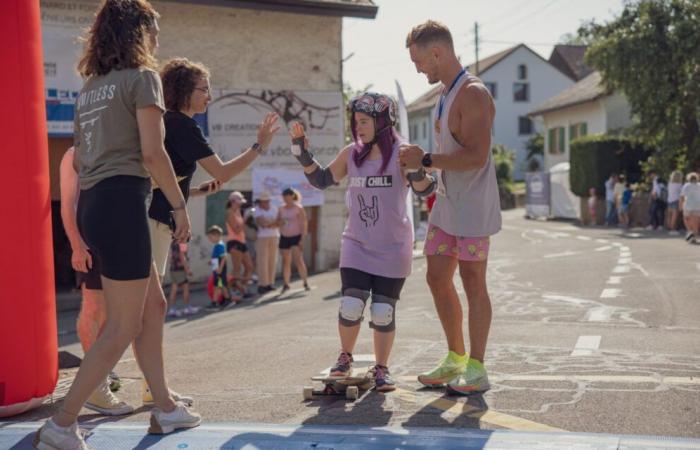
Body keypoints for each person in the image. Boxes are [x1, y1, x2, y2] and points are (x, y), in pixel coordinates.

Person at [35, 2, 199, 448]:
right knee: (122, 325)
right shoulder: (143, 78)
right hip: (124, 201)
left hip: (98, 204)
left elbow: (83, 156)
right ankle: (62, 423)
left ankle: (165, 409)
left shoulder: (91, 87)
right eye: (154, 30)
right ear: (138, 32)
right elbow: (153, 153)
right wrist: (179, 205)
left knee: (153, 308)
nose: (157, 40)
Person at [288, 90, 414, 392]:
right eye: (355, 121)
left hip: (393, 247)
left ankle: (381, 368)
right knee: (350, 305)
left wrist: (421, 170)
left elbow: (424, 188)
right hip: (357, 244)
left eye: (364, 121)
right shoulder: (351, 153)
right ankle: (345, 356)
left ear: (384, 121)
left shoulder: (403, 153)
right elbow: (321, 179)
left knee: (383, 311)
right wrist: (301, 153)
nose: (358, 127)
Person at [401, 20, 501, 395]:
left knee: (474, 282)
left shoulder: (473, 93)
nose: (417, 68)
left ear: (437, 53)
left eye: (419, 60)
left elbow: (475, 157)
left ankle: (476, 368)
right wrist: (421, 175)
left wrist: (424, 158)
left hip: (474, 209)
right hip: (446, 206)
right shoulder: (444, 93)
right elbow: (446, 159)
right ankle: (455, 358)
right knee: (436, 277)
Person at [150, 57, 279, 295]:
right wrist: (259, 145)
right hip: (154, 220)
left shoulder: (166, 121)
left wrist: (197, 191)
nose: (209, 97)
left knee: (150, 301)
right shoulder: (183, 125)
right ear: (184, 90)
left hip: (150, 215)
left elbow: (162, 182)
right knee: (151, 302)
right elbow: (223, 172)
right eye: (204, 89)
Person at [59, 147, 134, 416]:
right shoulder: (74, 154)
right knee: (93, 307)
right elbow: (67, 203)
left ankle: (99, 372)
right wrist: (77, 245)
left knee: (111, 314)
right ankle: (95, 385)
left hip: (116, 236)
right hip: (89, 240)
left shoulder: (115, 146)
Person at [278, 188, 310, 293]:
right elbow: (278, 221)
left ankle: (305, 282)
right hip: (284, 236)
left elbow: (304, 224)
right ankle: (286, 283)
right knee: (286, 260)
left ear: (291, 196)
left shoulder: (298, 208)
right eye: (284, 197)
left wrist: (301, 239)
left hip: (296, 236)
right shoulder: (281, 208)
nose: (285, 199)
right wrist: (280, 222)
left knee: (298, 260)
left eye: (286, 197)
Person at [225, 191, 254, 296]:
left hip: (242, 241)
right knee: (237, 269)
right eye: (239, 201)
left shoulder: (237, 211)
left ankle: (242, 288)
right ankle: (233, 291)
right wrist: (246, 219)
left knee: (249, 267)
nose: (241, 203)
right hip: (234, 242)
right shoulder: (230, 212)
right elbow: (236, 230)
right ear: (232, 201)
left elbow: (241, 229)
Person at [253, 192, 280, 294]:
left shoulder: (274, 208)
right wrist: (273, 223)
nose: (265, 203)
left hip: (274, 235)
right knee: (262, 261)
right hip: (262, 237)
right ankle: (262, 284)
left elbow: (280, 222)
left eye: (266, 201)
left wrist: (271, 223)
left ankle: (270, 283)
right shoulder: (257, 210)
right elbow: (263, 223)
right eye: (263, 201)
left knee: (272, 260)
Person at [167, 241, 197, 317]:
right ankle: (187, 308)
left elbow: (170, 256)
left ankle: (172, 309)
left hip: (173, 269)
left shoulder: (173, 243)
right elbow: (182, 256)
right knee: (186, 288)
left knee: (174, 289)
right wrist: (187, 270)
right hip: (180, 270)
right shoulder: (183, 243)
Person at [207, 225, 233, 308]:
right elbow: (217, 257)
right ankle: (227, 299)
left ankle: (215, 302)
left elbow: (224, 257)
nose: (210, 239)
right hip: (217, 270)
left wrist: (220, 269)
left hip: (219, 271)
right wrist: (211, 261)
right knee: (220, 285)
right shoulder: (217, 245)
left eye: (211, 237)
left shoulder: (220, 245)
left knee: (218, 286)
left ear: (217, 235)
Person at [680, 172, 700, 243]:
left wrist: (680, 206)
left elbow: (682, 196)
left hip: (688, 205)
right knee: (696, 221)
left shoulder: (686, 185)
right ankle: (694, 235)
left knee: (686, 219)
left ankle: (690, 232)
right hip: (698, 205)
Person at [666, 170, 683, 235]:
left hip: (669, 200)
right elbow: (681, 194)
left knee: (669, 215)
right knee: (674, 216)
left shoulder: (669, 184)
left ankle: (670, 228)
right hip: (676, 200)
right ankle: (673, 229)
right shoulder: (679, 185)